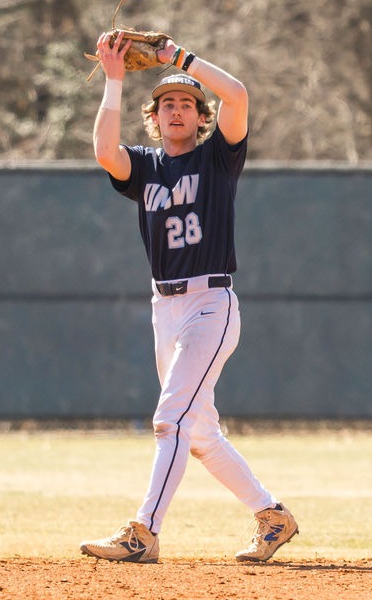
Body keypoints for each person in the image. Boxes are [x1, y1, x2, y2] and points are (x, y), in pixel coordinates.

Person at [79, 30, 298, 564]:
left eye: (187, 104)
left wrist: (177, 59)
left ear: (203, 118)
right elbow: (105, 151)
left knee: (170, 419)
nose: (176, 110)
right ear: (154, 118)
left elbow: (239, 94)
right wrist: (113, 80)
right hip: (165, 307)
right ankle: (273, 517)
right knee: (197, 432)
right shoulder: (147, 167)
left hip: (210, 304)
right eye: (166, 104)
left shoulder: (217, 160)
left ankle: (143, 533)